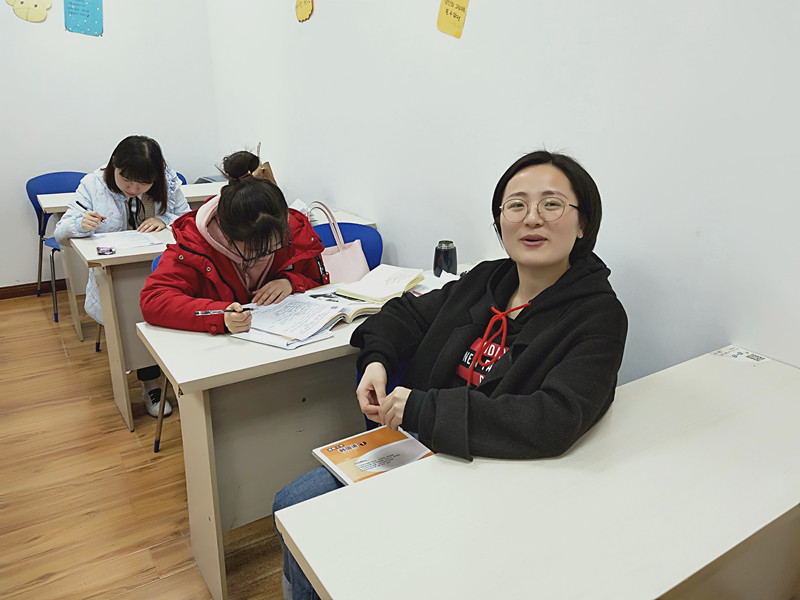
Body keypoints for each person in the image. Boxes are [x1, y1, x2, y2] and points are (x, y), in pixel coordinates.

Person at [272, 150, 628, 600]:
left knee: (319, 523)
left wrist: (424, 408)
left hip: (499, 475)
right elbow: (402, 314)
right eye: (516, 205)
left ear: (582, 224)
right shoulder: (486, 281)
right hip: (425, 449)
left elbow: (554, 418)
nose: (532, 218)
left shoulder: (597, 315)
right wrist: (377, 359)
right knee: (293, 507)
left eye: (552, 204)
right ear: (499, 222)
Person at [54, 135, 190, 418]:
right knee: (134, 320)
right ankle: (151, 384)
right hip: (118, 274)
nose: (133, 189)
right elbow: (61, 233)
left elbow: (187, 219)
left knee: (170, 318)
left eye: (143, 184)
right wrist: (81, 224)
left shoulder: (168, 181)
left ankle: (180, 374)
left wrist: (164, 220)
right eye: (126, 180)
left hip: (163, 269)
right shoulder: (93, 184)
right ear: (113, 165)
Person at [139, 150, 327, 337]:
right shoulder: (194, 245)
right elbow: (154, 301)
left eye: (276, 244)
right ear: (226, 235)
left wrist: (291, 282)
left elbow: (320, 283)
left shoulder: (294, 231)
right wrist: (220, 316)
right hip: (222, 347)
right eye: (256, 250)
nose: (268, 254)